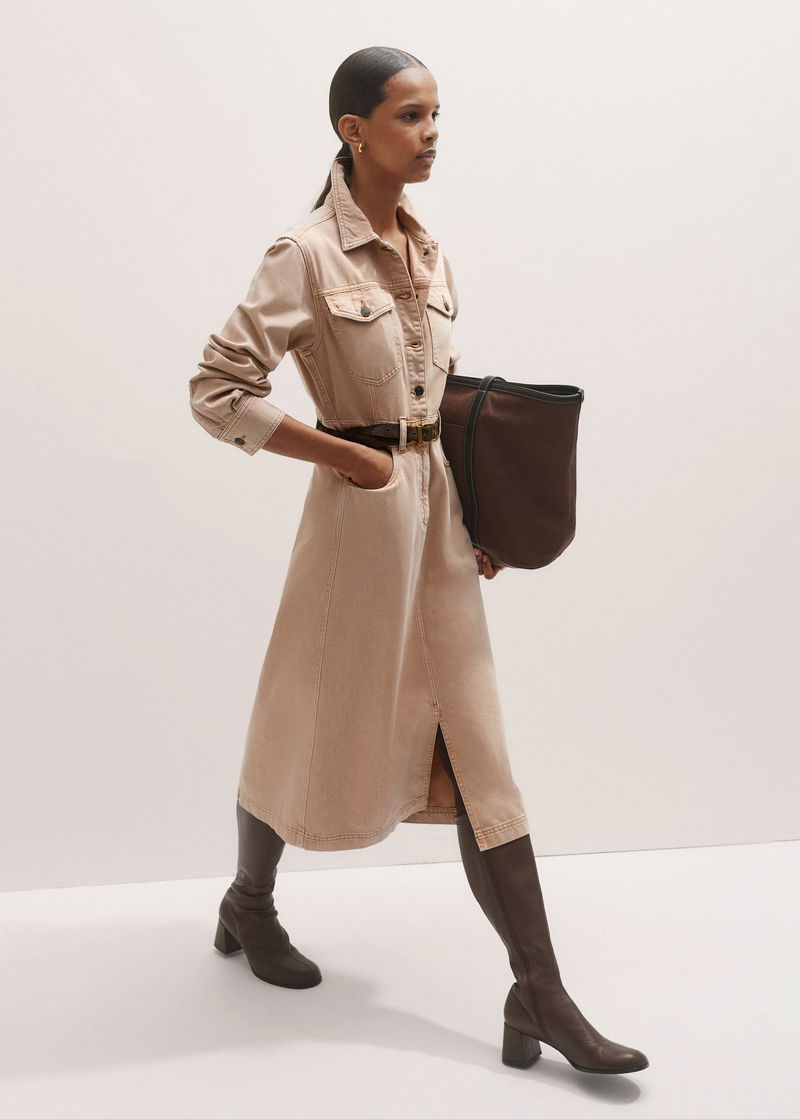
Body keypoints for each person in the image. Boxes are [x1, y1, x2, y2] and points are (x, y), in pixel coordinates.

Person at [189, 46, 649, 1077]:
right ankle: (249, 903)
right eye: (409, 115)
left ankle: (538, 991)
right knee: (300, 717)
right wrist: (343, 455)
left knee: (480, 748)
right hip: (353, 530)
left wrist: (477, 514)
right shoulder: (304, 254)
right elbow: (216, 390)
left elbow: (438, 402)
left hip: (436, 526)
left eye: (438, 114)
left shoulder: (431, 252)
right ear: (352, 131)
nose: (431, 133)